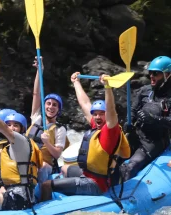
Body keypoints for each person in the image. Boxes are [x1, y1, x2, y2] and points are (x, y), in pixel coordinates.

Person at [40, 72, 130, 201]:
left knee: (46, 185)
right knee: (64, 168)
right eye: (95, 114)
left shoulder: (110, 132)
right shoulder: (96, 126)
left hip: (96, 184)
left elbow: (111, 111)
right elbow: (85, 104)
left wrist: (108, 88)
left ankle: (45, 212)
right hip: (87, 174)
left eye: (101, 114)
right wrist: (76, 82)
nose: (97, 117)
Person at [121, 56, 171, 180]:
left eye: (156, 73)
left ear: (168, 75)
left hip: (154, 141)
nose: (151, 76)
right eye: (150, 73)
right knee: (111, 158)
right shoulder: (145, 90)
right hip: (136, 134)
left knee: (132, 166)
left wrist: (154, 119)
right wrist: (129, 121)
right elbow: (132, 110)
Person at [26, 57, 67, 182]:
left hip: (45, 164)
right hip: (27, 159)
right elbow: (36, 93)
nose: (51, 107)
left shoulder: (60, 129)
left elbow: (57, 154)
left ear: (58, 110)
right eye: (48, 103)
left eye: (55, 105)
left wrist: (47, 142)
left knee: (42, 167)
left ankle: (37, 193)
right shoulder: (36, 116)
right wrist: (40, 70)